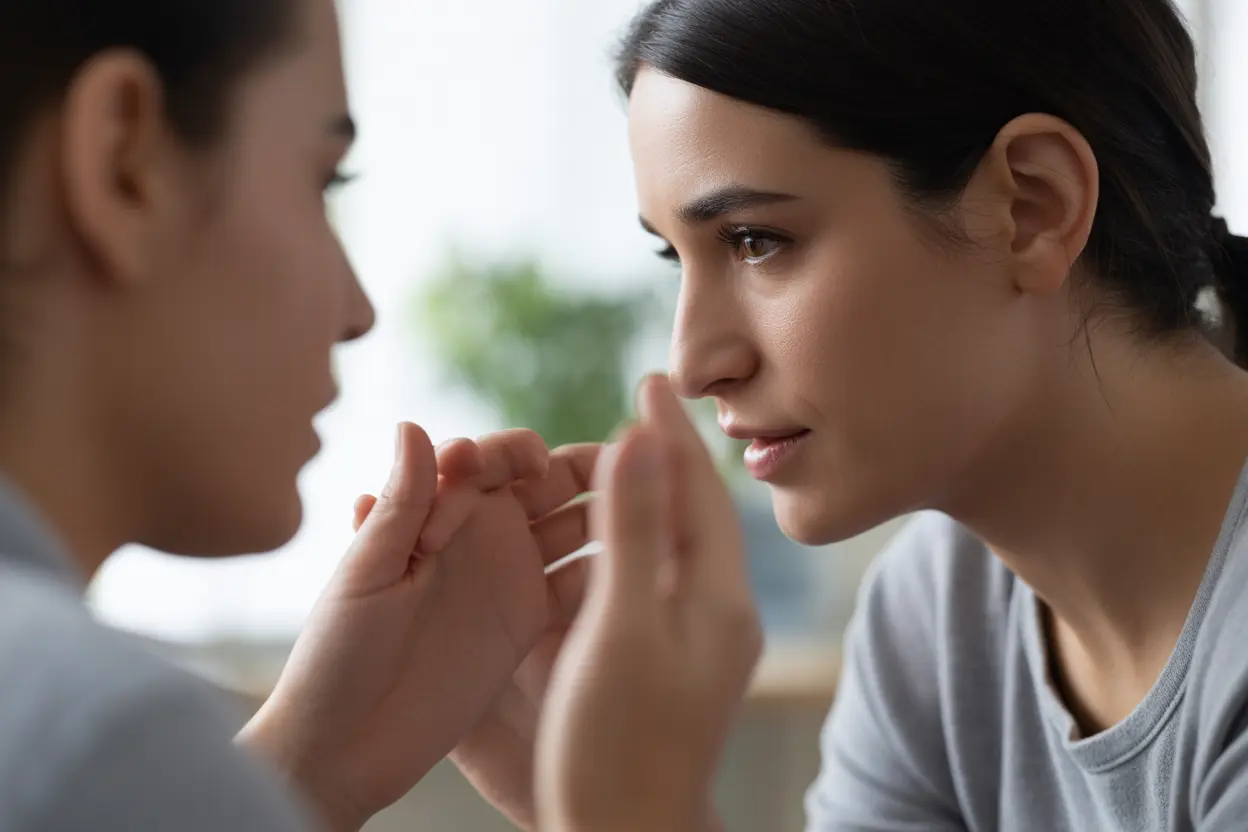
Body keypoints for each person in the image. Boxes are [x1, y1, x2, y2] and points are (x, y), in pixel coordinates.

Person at [0, 1, 766, 830]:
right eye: (322, 180)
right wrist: (638, 807)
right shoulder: (89, 737)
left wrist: (316, 762)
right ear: (123, 164)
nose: (358, 311)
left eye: (758, 241)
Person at [535, 0, 1248, 829]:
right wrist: (553, 779)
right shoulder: (937, 612)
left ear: (1033, 206)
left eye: (754, 240)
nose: (690, 364)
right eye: (675, 256)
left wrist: (635, 809)